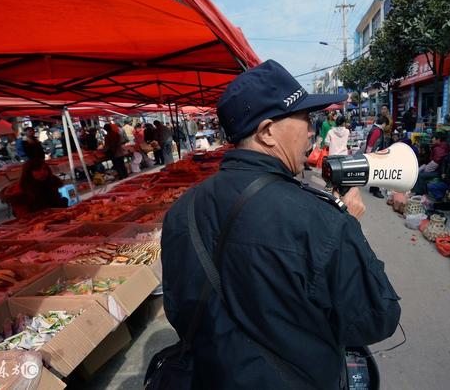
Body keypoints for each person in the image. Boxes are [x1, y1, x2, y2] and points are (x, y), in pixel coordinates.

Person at [159, 60, 400, 389]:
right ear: (267, 131)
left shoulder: (181, 210)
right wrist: (349, 226)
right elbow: (376, 320)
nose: (313, 130)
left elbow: (178, 305)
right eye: (304, 118)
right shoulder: (321, 219)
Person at [0, 158, 67, 218]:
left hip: (55, 217)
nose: (43, 172)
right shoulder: (19, 191)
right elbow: (23, 217)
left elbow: (55, 204)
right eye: (37, 170)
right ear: (28, 172)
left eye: (45, 169)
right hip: (35, 224)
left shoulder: (51, 183)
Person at [365, 117, 388, 198]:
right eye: (385, 125)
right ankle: (376, 190)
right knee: (377, 173)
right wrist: (369, 155)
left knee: (375, 172)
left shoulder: (375, 128)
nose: (385, 127)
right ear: (384, 123)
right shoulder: (377, 131)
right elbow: (371, 143)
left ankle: (372, 188)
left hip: (374, 153)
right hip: (375, 154)